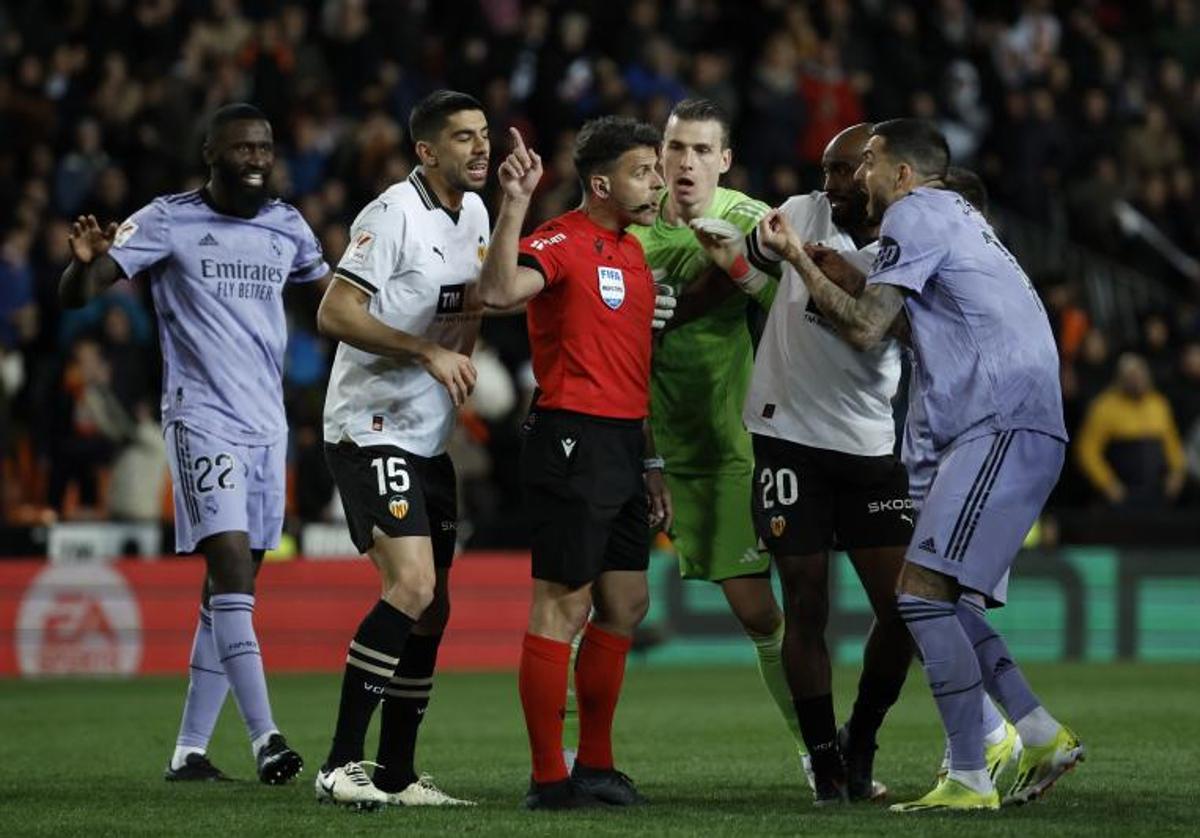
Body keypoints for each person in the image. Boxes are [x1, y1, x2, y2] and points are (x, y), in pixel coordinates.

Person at [755, 118, 1084, 811]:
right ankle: (1036, 731)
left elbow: (867, 325)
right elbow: (915, 320)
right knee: (941, 596)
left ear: (902, 174)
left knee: (917, 597)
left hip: (998, 419)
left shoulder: (915, 212)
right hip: (1011, 421)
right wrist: (851, 269)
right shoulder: (954, 217)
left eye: (868, 161)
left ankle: (970, 770)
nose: (858, 176)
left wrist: (800, 260)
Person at [59, 103, 328, 784]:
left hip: (267, 426)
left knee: (231, 588)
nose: (257, 158)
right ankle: (267, 738)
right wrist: (82, 266)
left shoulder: (287, 226)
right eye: (241, 148)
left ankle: (189, 752)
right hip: (201, 416)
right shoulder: (168, 219)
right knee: (233, 568)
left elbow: (334, 307)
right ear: (210, 152)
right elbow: (80, 292)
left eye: (265, 146)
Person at [692, 122, 913, 804]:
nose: (833, 184)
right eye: (827, 169)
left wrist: (801, 262)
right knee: (806, 604)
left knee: (904, 611)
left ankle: (862, 736)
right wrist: (665, 317)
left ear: (883, 172)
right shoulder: (799, 214)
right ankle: (826, 764)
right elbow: (741, 276)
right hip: (787, 439)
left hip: (872, 445)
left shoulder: (915, 245)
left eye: (846, 170)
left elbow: (867, 326)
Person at [478, 116, 670, 810]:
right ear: (600, 182)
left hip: (623, 443)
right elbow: (498, 295)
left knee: (625, 603)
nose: (656, 180)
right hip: (570, 437)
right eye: (643, 170)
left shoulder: (635, 253)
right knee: (563, 603)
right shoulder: (557, 240)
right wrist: (514, 204)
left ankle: (594, 765)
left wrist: (649, 458)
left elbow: (633, 364)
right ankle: (548, 779)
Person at [625, 98, 812, 783]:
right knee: (595, 604)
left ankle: (816, 753)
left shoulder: (745, 220)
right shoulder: (629, 226)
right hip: (632, 443)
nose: (686, 163)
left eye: (703, 151)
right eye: (676, 149)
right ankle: (565, 769)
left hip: (723, 448)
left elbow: (794, 309)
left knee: (759, 613)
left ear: (724, 161)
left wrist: (738, 266)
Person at [314, 90, 488, 809]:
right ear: (426, 152)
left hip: (426, 437)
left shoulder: (475, 213)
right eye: (462, 138)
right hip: (368, 426)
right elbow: (334, 311)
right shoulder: (392, 215)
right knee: (411, 586)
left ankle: (397, 773)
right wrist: (424, 352)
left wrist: (459, 364)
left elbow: (468, 307)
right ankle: (339, 764)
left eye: (484, 135)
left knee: (433, 608)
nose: (480, 148)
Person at [1074, 352, 1187, 507]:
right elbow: (1087, 451)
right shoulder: (1104, 407)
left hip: (1157, 493)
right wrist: (1108, 484)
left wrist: (1177, 473)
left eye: (1141, 374)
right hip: (1121, 495)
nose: (1137, 380)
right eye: (1132, 375)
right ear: (1120, 378)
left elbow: (1172, 445)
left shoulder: (1159, 404)